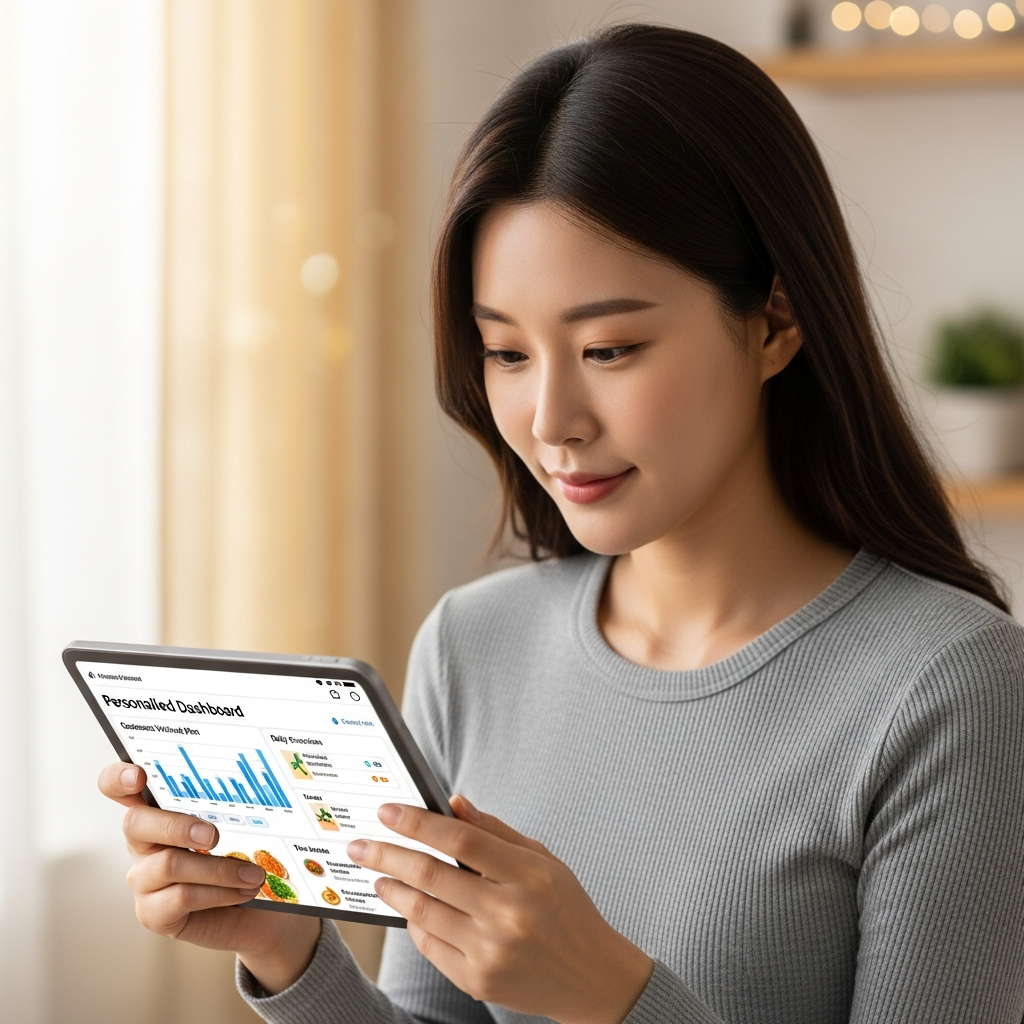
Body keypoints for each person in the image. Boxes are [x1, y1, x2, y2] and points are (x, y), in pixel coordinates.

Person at [98, 25, 1024, 1024]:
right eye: (506, 353)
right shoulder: (475, 645)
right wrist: (290, 957)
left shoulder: (950, 686)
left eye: (610, 348)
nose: (551, 422)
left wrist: (611, 997)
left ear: (775, 322)